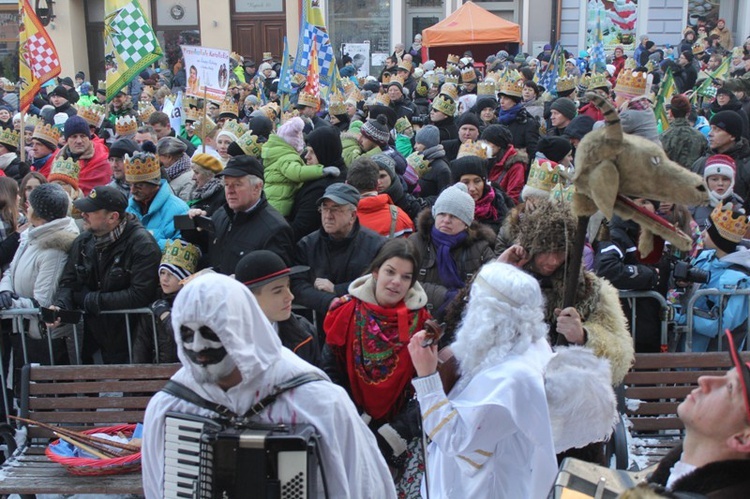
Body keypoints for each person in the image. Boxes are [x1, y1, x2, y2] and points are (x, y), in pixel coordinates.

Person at [142, 273, 396, 498]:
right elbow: (155, 486)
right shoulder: (171, 406)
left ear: (240, 327)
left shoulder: (317, 400)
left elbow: (365, 485)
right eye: (186, 334)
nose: (197, 347)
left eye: (210, 332)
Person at [407, 261, 558, 499]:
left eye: (473, 303)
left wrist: (427, 378)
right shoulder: (518, 340)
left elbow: (455, 439)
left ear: (488, 313)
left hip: (484, 489)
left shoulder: (514, 379)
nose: (469, 311)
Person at [323, 238, 431, 496]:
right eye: (390, 272)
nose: (396, 282)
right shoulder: (346, 311)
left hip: (402, 440)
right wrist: (357, 423)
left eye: (405, 277)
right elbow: (329, 373)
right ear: (375, 272)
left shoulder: (423, 322)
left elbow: (427, 385)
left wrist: (393, 435)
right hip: (350, 429)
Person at [496, 198, 634, 385]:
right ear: (530, 247)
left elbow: (620, 357)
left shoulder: (591, 290)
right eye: (545, 250)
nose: (553, 260)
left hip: (567, 392)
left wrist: (585, 336)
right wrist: (496, 272)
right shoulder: (507, 280)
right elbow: (468, 325)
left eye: (561, 251)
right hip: (513, 387)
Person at [620, 332, 750, 497]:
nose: (704, 379)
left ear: (743, 439)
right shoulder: (668, 480)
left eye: (730, 387)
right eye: (725, 376)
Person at [52, 186, 162, 364]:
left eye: (91, 210)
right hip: (91, 337)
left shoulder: (142, 245)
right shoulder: (83, 241)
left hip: (130, 339)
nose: (83, 214)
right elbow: (69, 281)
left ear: (113, 217)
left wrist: (92, 300)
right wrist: (60, 305)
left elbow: (141, 294)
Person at [0, 183, 79, 381]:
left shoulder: (54, 248)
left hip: (42, 338)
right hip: (22, 332)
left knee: (40, 395)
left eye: (31, 204)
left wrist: (12, 304)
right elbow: (11, 269)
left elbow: (43, 302)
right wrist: (5, 292)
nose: (26, 206)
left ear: (39, 211)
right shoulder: (30, 235)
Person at [292, 183, 384, 323]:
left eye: (336, 209)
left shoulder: (376, 245)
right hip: (319, 326)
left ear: (352, 215)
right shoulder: (307, 244)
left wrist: (338, 290)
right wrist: (327, 301)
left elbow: (379, 282)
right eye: (325, 208)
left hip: (362, 325)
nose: (328, 216)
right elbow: (296, 284)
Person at [184, 155, 294, 273]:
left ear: (257, 187)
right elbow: (207, 248)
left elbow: (276, 281)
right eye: (226, 184)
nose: (230, 190)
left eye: (237, 184)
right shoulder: (222, 214)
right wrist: (193, 224)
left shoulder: (275, 229)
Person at [410, 183, 496, 320]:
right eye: (442, 213)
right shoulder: (416, 242)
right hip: (418, 317)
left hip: (463, 321)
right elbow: (406, 283)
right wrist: (445, 296)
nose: (446, 220)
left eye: (454, 216)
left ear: (466, 223)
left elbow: (493, 287)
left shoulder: (480, 248)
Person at [673, 203, 750, 352]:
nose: (701, 234)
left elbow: (722, 324)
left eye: (707, 231)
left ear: (719, 238)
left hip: (714, 357)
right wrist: (683, 284)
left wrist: (680, 318)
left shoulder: (738, 278)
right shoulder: (705, 257)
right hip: (687, 348)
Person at [235, 250, 320, 366]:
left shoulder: (304, 331)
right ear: (249, 298)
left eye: (288, 286)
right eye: (278, 291)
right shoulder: (226, 341)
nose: (290, 296)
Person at [136, 239, 200, 364]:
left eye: (171, 274)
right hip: (159, 371)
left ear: (184, 277)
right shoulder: (154, 302)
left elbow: (184, 335)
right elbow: (141, 344)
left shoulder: (193, 302)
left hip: (187, 369)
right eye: (162, 273)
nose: (164, 279)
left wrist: (164, 314)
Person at [261, 116, 338, 217]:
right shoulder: (287, 157)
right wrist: (320, 170)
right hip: (278, 206)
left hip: (272, 203)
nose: (306, 157)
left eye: (312, 152)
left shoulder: (277, 154)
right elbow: (297, 172)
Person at [290, 126, 347, 242]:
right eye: (307, 150)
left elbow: (300, 229)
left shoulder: (321, 187)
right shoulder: (340, 172)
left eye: (312, 152)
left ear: (325, 152)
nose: (306, 156)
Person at [124, 149, 189, 250]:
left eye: (139, 186)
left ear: (154, 184)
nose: (132, 191)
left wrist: (145, 243)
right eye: (130, 185)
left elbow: (183, 246)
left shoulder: (179, 209)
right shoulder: (128, 207)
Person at [346, 157, 414, 238]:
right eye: (379, 176)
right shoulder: (401, 218)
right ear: (377, 183)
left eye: (383, 176)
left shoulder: (339, 220)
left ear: (346, 184)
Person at [692, 110, 750, 200]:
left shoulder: (746, 166)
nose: (710, 134)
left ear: (732, 136)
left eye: (717, 129)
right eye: (711, 128)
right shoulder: (700, 163)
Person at [451, 154, 514, 234]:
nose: (472, 188)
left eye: (477, 181)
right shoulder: (447, 208)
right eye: (466, 182)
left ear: (484, 182)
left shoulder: (499, 204)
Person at [57, 116, 111, 196]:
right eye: (74, 136)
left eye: (83, 136)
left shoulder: (102, 160)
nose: (79, 141)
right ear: (67, 139)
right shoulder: (58, 160)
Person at [691, 154, 746, 230]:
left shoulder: (739, 206)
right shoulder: (692, 206)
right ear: (706, 181)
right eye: (714, 179)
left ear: (732, 182)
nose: (720, 183)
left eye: (725, 179)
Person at [482, 124, 528, 203]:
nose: (484, 146)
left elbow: (513, 197)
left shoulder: (516, 165)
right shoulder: (487, 159)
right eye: (483, 142)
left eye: (488, 142)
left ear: (499, 145)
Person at [661, 94, 708, 169]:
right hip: (693, 178)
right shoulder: (700, 137)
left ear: (671, 114)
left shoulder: (663, 137)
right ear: (688, 113)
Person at [157, 137, 193, 202]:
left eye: (158, 156)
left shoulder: (189, 180)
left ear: (169, 157)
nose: (156, 160)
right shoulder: (170, 173)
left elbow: (185, 207)